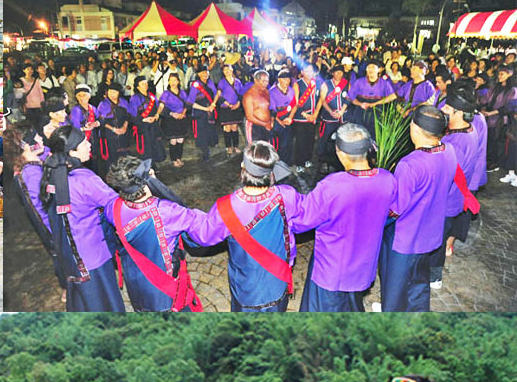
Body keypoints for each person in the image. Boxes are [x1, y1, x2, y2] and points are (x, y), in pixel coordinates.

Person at [293, 123, 396, 312]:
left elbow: (301, 222)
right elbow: (392, 213)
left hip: (332, 271)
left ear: (340, 153)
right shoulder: (388, 179)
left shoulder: (332, 186)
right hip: (362, 267)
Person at [198, 141, 301, 312]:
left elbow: (203, 236)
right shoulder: (286, 196)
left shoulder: (225, 207)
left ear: (242, 167)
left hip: (246, 288)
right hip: (277, 280)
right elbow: (305, 219)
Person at [380, 106, 460, 311]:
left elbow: (395, 209)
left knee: (394, 293)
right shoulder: (449, 151)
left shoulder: (410, 164)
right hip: (431, 234)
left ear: (414, 128)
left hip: (405, 240)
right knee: (419, 286)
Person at [37, 126, 125, 312]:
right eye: (84, 143)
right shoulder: (85, 179)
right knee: (105, 305)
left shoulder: (53, 172)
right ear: (72, 151)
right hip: (93, 257)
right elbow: (117, 207)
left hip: (69, 257)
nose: (89, 144)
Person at [103, 156, 206, 312]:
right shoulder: (166, 211)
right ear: (145, 183)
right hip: (165, 290)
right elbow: (204, 229)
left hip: (137, 283)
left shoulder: (112, 208)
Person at [431, 82, 482, 284]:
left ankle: (434, 278)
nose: (442, 110)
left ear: (459, 113)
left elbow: (446, 175)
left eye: (447, 109)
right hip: (452, 199)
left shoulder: (457, 143)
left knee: (436, 241)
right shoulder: (469, 130)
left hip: (446, 201)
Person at [316, 65, 351, 173]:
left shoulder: (346, 83)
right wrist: (331, 112)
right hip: (328, 117)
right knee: (324, 138)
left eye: (341, 73)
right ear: (332, 73)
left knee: (342, 139)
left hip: (342, 116)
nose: (339, 75)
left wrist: (342, 111)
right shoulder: (326, 84)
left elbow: (349, 98)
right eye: (337, 72)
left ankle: (339, 161)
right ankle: (322, 160)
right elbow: (323, 100)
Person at [348, 60, 396, 135]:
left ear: (379, 70)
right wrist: (360, 104)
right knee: (359, 134)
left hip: (377, 111)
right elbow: (350, 96)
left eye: (373, 67)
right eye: (368, 67)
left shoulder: (384, 83)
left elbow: (392, 96)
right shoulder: (359, 82)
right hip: (361, 111)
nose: (371, 69)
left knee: (376, 134)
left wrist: (377, 103)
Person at [289, 63, 321, 172]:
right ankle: (299, 163)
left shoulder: (316, 83)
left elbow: (319, 100)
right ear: (302, 72)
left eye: (311, 71)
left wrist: (314, 115)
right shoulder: (297, 84)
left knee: (310, 140)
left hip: (312, 117)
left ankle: (307, 159)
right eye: (306, 71)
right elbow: (296, 102)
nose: (309, 73)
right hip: (300, 117)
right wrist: (305, 114)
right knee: (300, 141)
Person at [96, 83, 132, 175]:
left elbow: (128, 116)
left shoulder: (123, 102)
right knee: (111, 157)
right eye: (110, 92)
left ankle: (124, 175)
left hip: (123, 132)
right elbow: (101, 121)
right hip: (109, 133)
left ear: (119, 93)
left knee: (124, 154)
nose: (112, 94)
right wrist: (114, 130)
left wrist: (124, 127)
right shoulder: (103, 104)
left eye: (115, 92)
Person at [129, 76, 166, 164]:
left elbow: (158, 108)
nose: (145, 85)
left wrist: (156, 115)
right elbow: (132, 114)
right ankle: (148, 166)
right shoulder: (134, 98)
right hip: (143, 126)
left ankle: (153, 164)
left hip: (153, 125)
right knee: (146, 147)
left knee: (154, 144)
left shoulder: (152, 96)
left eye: (146, 83)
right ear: (137, 87)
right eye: (142, 84)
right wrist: (144, 119)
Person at [158, 72, 190, 168]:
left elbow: (187, 104)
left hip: (181, 119)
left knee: (180, 139)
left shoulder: (183, 92)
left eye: (175, 80)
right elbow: (161, 106)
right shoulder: (166, 93)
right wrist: (172, 114)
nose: (172, 82)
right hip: (170, 120)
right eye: (170, 80)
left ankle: (179, 158)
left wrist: (183, 113)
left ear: (178, 81)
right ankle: (173, 159)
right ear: (168, 82)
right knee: (173, 140)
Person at [188, 66, 218, 162]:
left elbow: (216, 94)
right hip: (200, 113)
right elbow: (191, 102)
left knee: (209, 131)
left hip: (210, 112)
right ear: (198, 74)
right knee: (202, 134)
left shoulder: (210, 83)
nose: (205, 74)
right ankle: (205, 153)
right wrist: (205, 108)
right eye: (203, 72)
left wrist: (213, 104)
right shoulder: (195, 85)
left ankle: (208, 150)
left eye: (207, 72)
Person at [268, 69, 295, 163]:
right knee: (277, 144)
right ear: (279, 79)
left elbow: (294, 105)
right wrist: (280, 122)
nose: (287, 82)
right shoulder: (272, 91)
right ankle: (277, 163)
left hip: (288, 119)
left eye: (288, 79)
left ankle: (286, 162)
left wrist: (290, 117)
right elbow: (272, 110)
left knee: (288, 143)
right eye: (284, 79)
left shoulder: (291, 90)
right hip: (276, 120)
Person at [217, 64, 244, 155]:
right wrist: (228, 104)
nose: (227, 71)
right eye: (225, 70)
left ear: (232, 70)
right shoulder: (222, 82)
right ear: (223, 72)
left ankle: (236, 146)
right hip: (225, 108)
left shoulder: (238, 82)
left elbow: (241, 94)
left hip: (236, 107)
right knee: (227, 128)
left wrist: (238, 103)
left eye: (229, 69)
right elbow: (219, 96)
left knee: (234, 127)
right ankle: (228, 147)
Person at [243, 70, 273, 146]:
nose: (265, 84)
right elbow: (249, 117)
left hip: (267, 126)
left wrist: (271, 121)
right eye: (263, 81)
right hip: (254, 127)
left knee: (266, 149)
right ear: (255, 80)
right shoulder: (249, 96)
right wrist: (265, 124)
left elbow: (271, 108)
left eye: (267, 81)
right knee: (254, 151)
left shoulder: (267, 91)